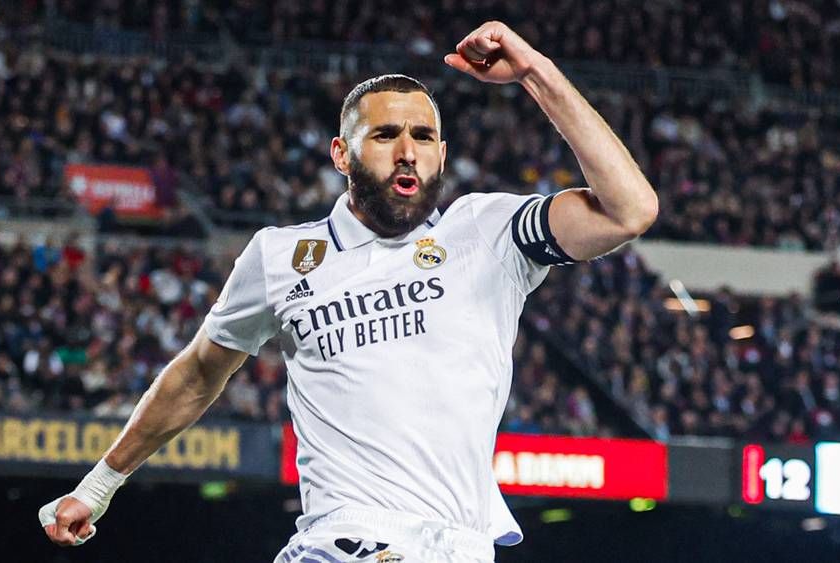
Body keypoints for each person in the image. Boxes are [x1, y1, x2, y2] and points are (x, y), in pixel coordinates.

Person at [39, 21, 658, 562]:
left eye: (423, 137)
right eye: (385, 135)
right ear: (342, 153)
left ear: (442, 154)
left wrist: (535, 73)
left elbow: (629, 211)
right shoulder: (280, 257)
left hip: (461, 545)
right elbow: (200, 372)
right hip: (345, 540)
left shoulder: (487, 232)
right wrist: (98, 485)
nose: (407, 152)